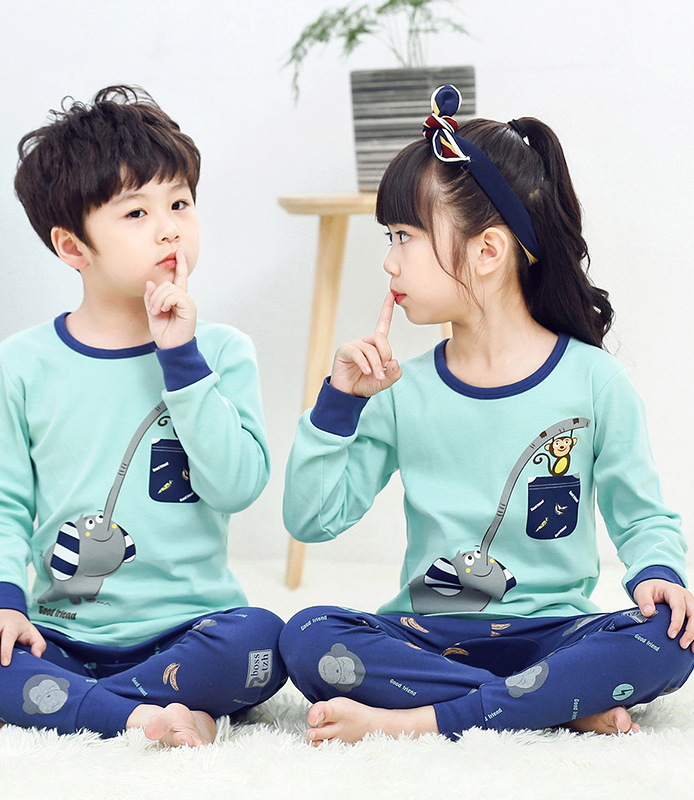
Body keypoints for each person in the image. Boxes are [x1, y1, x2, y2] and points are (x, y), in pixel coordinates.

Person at [278, 85, 694, 743]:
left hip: (555, 633)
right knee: (305, 635)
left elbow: (640, 516)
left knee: (667, 638)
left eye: (405, 236)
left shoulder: (595, 382)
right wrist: (339, 404)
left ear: (488, 251)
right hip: (425, 635)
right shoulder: (399, 391)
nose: (389, 260)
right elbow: (312, 519)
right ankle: (549, 703)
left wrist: (660, 573)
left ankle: (421, 720)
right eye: (390, 237)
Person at [0, 85, 285, 747]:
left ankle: (45, 707)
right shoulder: (19, 365)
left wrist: (182, 360)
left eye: (180, 203)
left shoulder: (221, 351)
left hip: (190, 632)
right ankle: (133, 713)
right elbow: (1, 505)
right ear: (73, 246)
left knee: (266, 642)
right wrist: (1, 606)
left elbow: (237, 486)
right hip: (60, 638)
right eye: (136, 213)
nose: (169, 228)